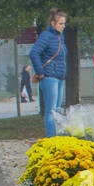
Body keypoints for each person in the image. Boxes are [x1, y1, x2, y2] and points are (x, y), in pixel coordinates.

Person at [30, 9, 68, 138]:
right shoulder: (46, 36)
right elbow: (34, 52)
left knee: (57, 110)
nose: (63, 26)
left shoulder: (60, 37)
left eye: (64, 24)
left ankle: (56, 137)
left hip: (60, 76)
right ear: (53, 23)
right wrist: (40, 72)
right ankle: (51, 138)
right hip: (50, 76)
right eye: (60, 23)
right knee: (51, 111)